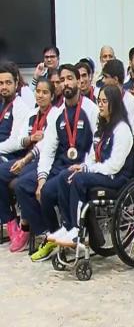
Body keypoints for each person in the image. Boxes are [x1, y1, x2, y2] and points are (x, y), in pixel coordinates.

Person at [15, 64, 98, 261]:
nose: (66, 83)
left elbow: (97, 144)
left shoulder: (91, 109)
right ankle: (51, 234)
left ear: (79, 81)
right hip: (60, 166)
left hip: (81, 167)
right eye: (62, 80)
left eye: (70, 78)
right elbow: (48, 148)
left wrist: (86, 167)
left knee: (61, 184)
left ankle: (72, 233)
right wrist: (42, 178)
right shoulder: (57, 113)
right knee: (35, 189)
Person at [52, 85, 134, 246]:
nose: (100, 105)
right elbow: (91, 155)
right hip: (101, 171)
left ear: (114, 104)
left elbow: (114, 165)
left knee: (79, 180)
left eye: (105, 101)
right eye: (99, 101)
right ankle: (68, 226)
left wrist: (87, 170)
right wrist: (83, 166)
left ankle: (78, 230)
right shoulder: (102, 127)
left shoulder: (122, 129)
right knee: (64, 176)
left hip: (117, 177)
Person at [0, 77, 53, 252]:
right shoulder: (32, 114)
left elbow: (45, 145)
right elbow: (21, 140)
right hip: (25, 156)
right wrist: (30, 138)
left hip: (41, 159)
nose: (40, 96)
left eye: (45, 92)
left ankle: (31, 228)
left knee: (20, 182)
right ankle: (10, 221)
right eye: (38, 92)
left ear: (52, 96)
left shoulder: (54, 115)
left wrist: (25, 159)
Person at [101, 58, 134, 139]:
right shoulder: (102, 100)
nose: (103, 80)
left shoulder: (132, 102)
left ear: (115, 79)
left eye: (105, 77)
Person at [0, 62, 30, 162]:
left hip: (8, 156)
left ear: (16, 83)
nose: (4, 87)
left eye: (8, 83)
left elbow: (16, 142)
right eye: (1, 83)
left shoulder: (20, 107)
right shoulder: (2, 104)